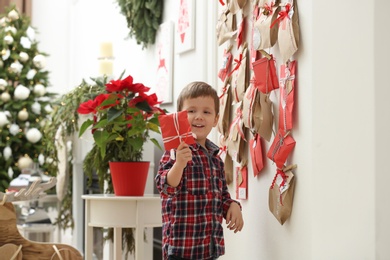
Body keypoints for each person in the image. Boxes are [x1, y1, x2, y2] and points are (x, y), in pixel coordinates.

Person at [155, 81, 244, 260]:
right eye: (191, 111)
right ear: (180, 116)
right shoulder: (175, 151)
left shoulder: (216, 159)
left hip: (209, 248)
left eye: (206, 112)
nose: (199, 117)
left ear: (215, 120)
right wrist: (179, 164)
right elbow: (165, 186)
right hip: (181, 250)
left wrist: (233, 205)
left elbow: (221, 197)